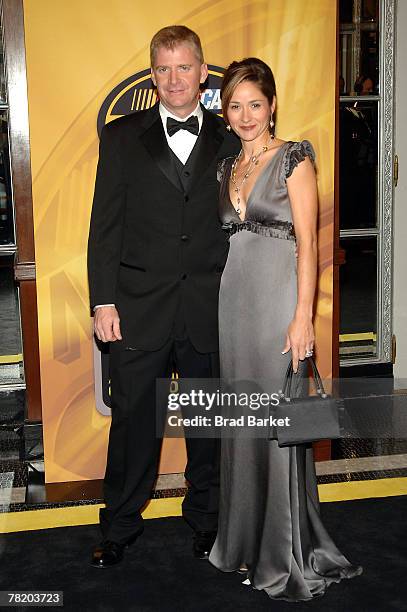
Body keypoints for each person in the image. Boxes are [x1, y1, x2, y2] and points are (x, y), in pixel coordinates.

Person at [208, 58, 362, 601]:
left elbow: (310, 245)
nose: (246, 114)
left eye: (255, 103)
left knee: (276, 424)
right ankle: (245, 542)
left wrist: (304, 316)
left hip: (277, 303)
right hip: (234, 303)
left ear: (272, 105)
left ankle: (282, 553)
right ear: (225, 112)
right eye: (235, 105)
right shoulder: (226, 166)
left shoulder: (294, 158)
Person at [87, 25, 239, 568]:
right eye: (163, 69)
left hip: (208, 308)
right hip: (137, 309)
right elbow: (104, 226)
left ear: (203, 71)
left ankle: (208, 520)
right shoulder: (123, 136)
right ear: (153, 77)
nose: (174, 79)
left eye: (184, 67)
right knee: (133, 427)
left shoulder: (231, 137)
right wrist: (102, 301)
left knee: (208, 428)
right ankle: (119, 526)